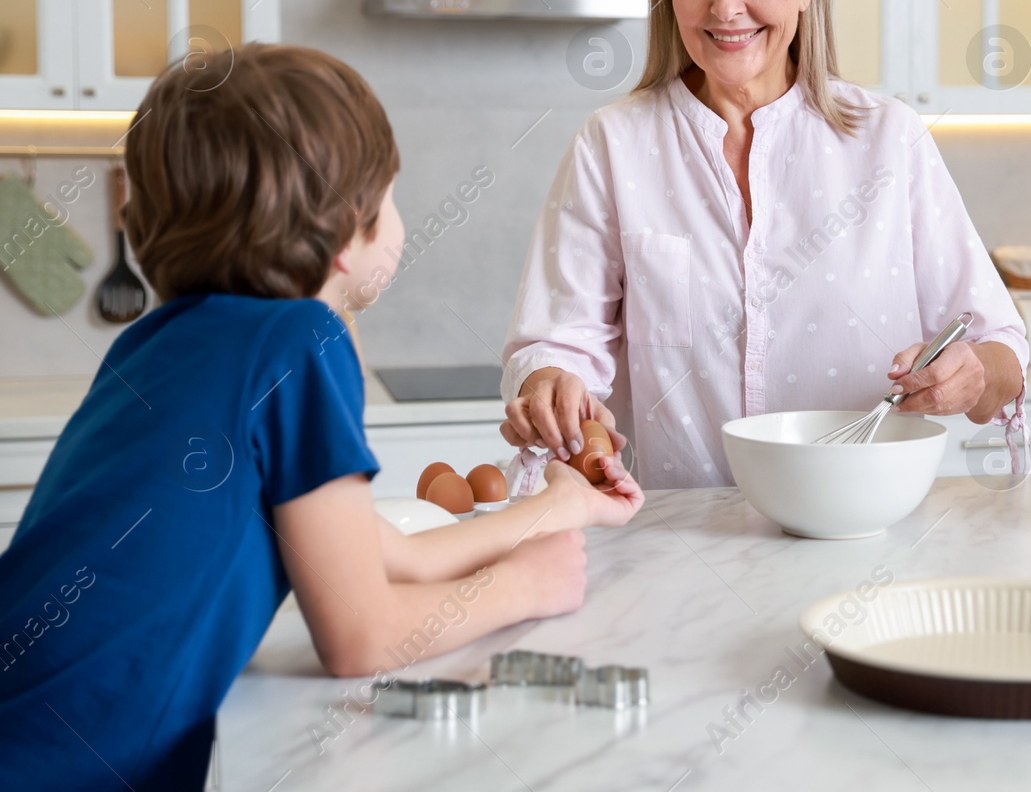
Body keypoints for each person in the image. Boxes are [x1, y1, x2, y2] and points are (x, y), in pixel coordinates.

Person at [0, 45, 641, 790]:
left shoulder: (160, 344)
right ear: (346, 230)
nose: (400, 221)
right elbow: (359, 633)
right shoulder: (298, 341)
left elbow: (374, 552)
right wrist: (526, 588)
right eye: (392, 195)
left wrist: (556, 512)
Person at [500, 0, 1028, 489]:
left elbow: (999, 345)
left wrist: (973, 374)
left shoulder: (891, 142)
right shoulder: (612, 146)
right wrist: (550, 383)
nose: (726, 6)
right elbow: (559, 343)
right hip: (678, 547)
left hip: (863, 535)